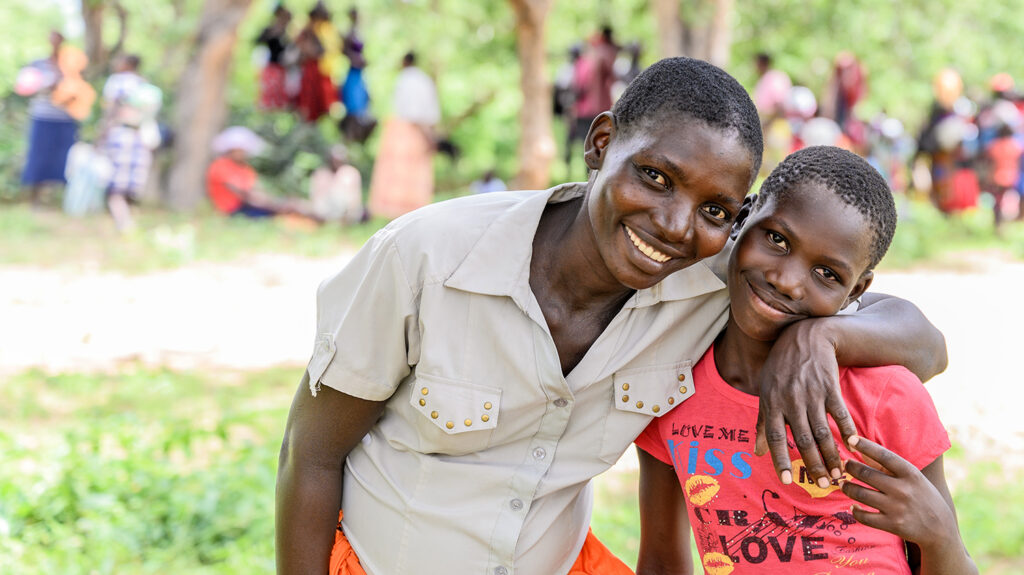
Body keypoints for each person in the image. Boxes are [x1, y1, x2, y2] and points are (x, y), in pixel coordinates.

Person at [276, 58, 947, 575]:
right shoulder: (425, 257)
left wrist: (821, 335)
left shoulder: (719, 281)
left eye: (715, 208)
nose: (675, 225)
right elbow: (311, 453)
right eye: (655, 176)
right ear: (601, 143)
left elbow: (925, 342)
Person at [634, 146, 976, 575]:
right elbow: (661, 562)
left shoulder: (885, 394)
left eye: (827, 274)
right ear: (744, 218)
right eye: (777, 240)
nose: (787, 281)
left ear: (855, 291)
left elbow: (950, 558)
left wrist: (940, 536)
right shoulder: (670, 385)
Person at [16, 31, 93, 206]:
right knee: (38, 156)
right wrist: (47, 87)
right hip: (43, 116)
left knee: (63, 159)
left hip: (66, 118)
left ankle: (59, 200)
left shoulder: (72, 63)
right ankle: (34, 198)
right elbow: (23, 87)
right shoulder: (39, 63)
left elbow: (82, 86)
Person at [367, 51, 440, 219]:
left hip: (406, 132)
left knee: (402, 173)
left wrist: (427, 136)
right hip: (417, 130)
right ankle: (406, 214)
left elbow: (414, 114)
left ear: (405, 62)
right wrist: (430, 137)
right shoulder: (424, 80)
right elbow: (428, 114)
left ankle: (398, 213)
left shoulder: (405, 79)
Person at [99, 54, 163, 231]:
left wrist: (101, 136)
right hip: (141, 137)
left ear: (127, 64)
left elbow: (110, 111)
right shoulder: (145, 84)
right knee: (130, 184)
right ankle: (125, 221)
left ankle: (123, 223)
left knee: (115, 184)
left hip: (121, 135)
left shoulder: (117, 82)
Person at [206, 126, 317, 220]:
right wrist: (272, 205)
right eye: (241, 150)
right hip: (232, 211)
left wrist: (276, 202)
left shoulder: (245, 169)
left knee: (289, 209)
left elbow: (256, 189)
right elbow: (243, 194)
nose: (244, 153)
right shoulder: (220, 166)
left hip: (247, 206)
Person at [308, 144, 365, 225]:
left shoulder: (350, 173)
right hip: (324, 212)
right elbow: (314, 198)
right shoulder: (321, 174)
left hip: (346, 212)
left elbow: (355, 199)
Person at [256, 4, 293, 110]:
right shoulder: (271, 30)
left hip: (284, 69)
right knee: (269, 95)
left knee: (281, 99)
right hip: (271, 68)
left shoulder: (287, 34)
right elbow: (258, 41)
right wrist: (273, 33)